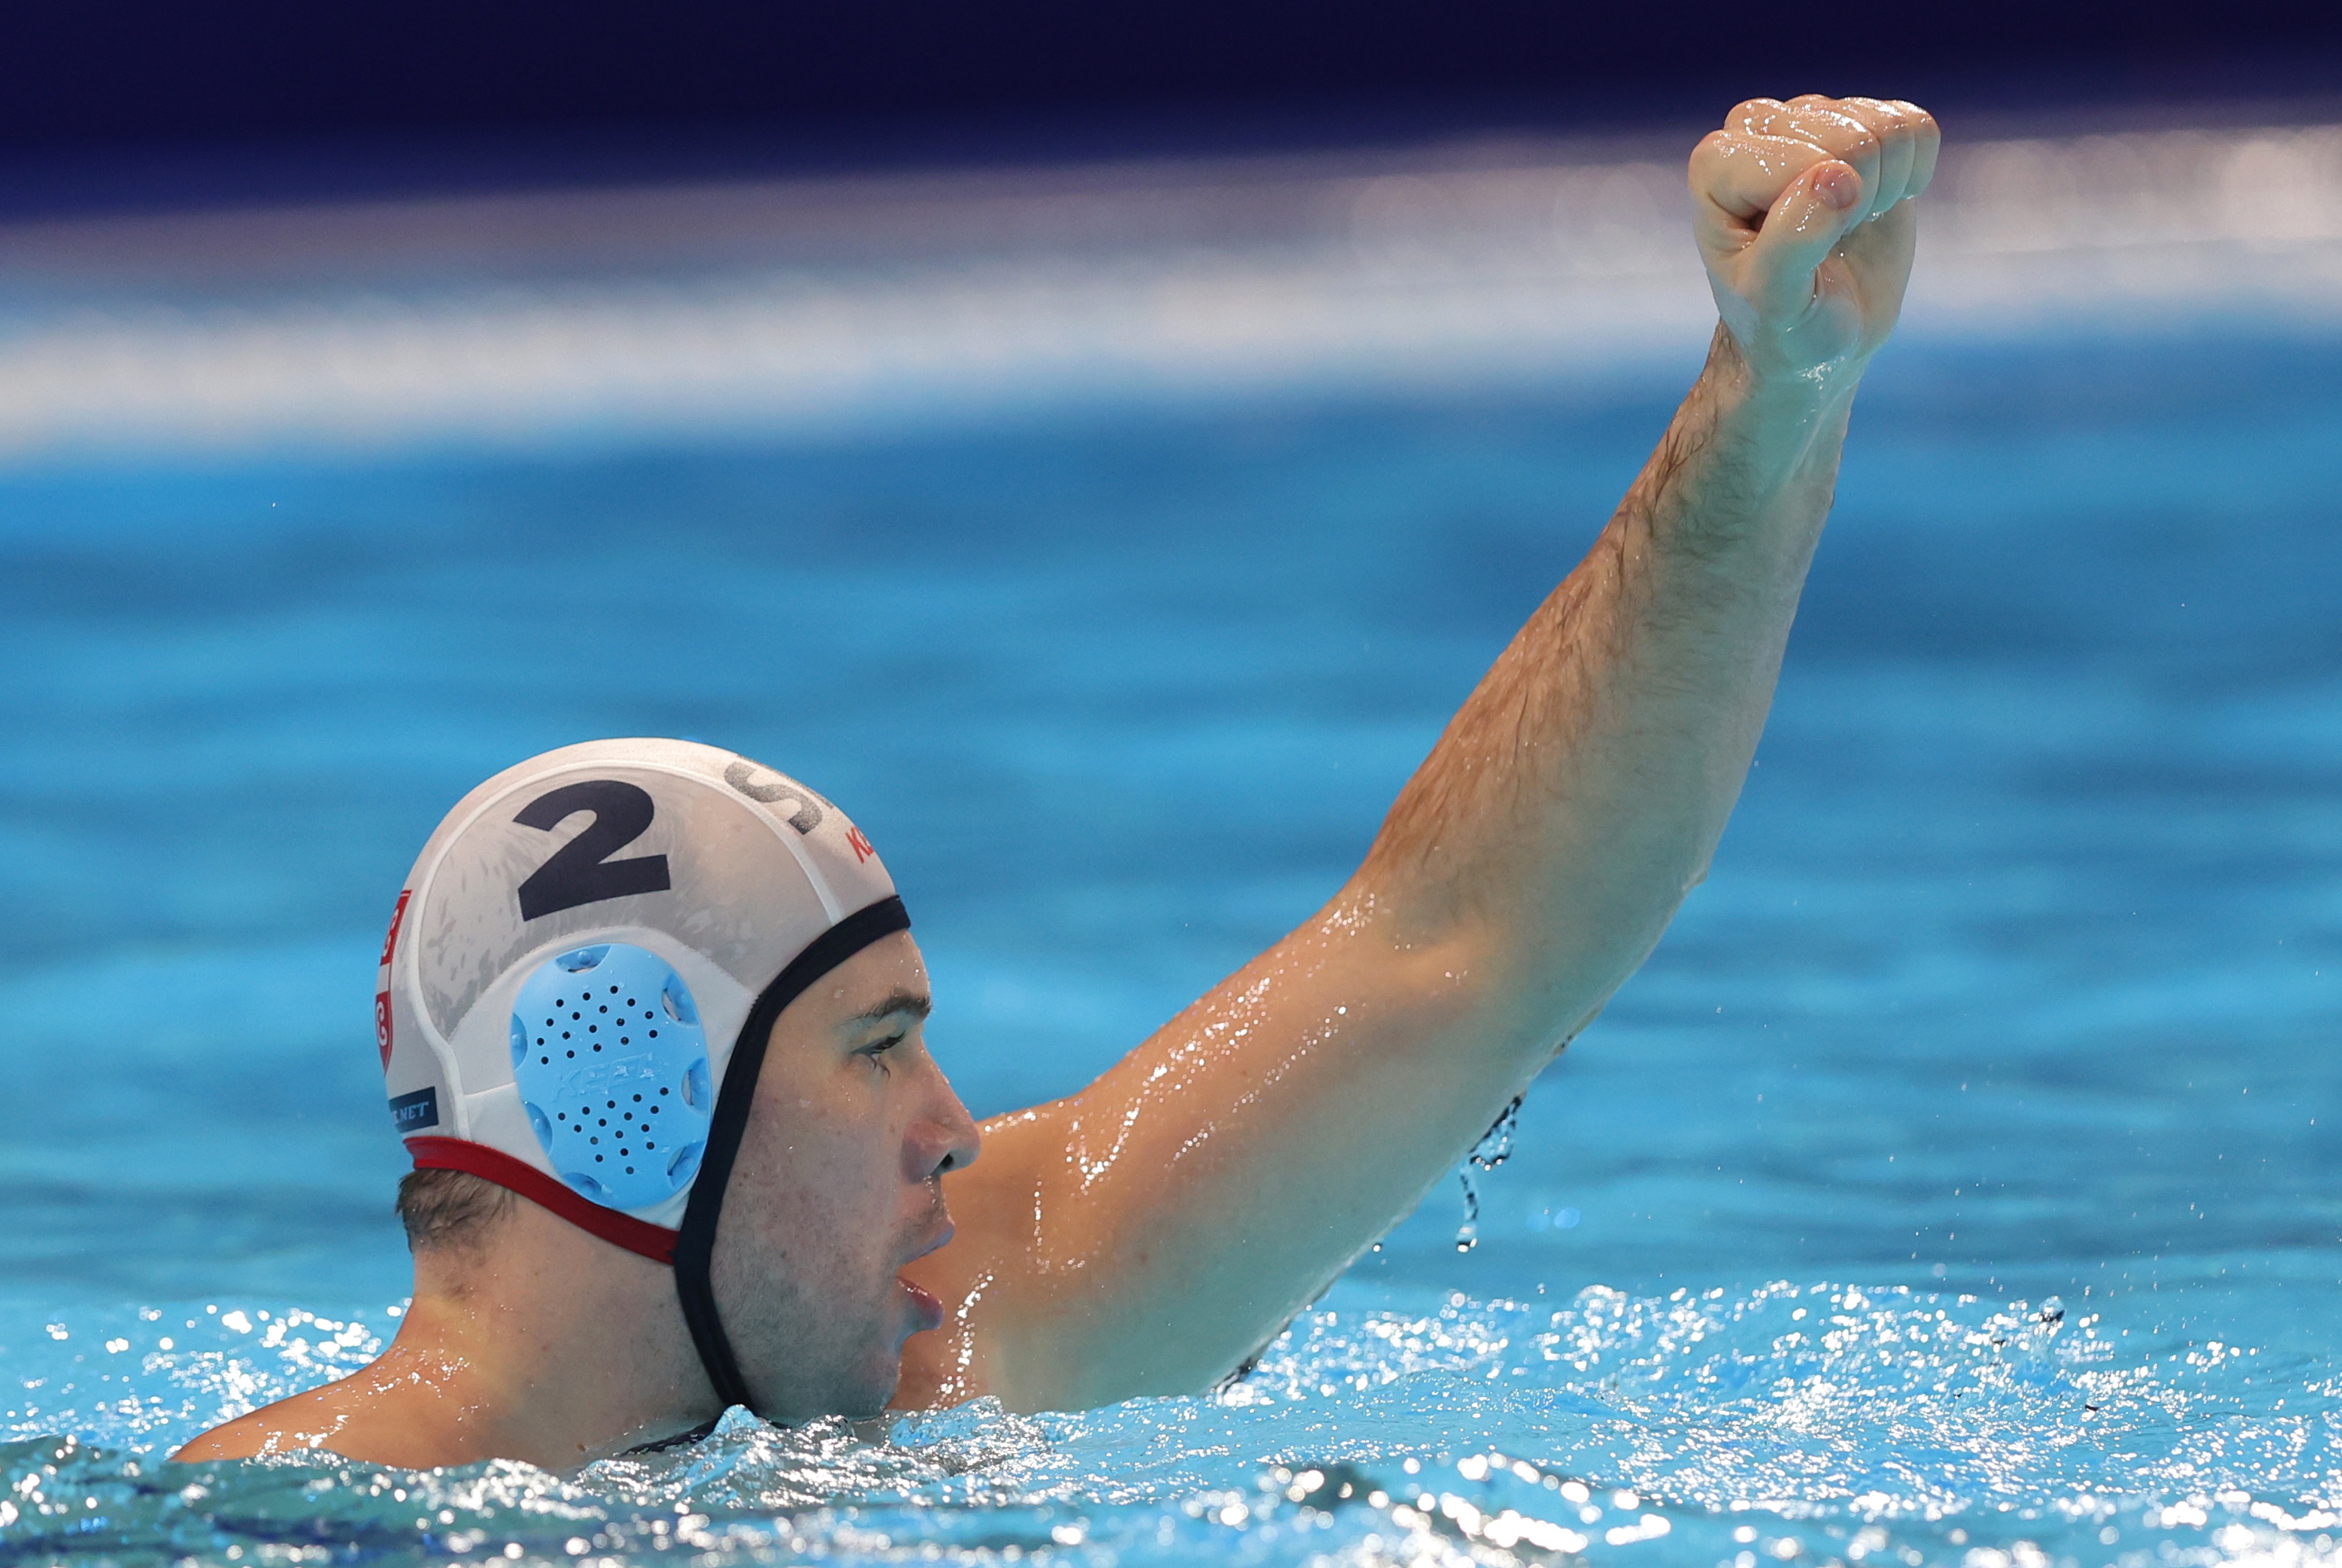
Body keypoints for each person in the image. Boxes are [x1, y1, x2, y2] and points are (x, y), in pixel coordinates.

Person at [175, 92, 1940, 1468]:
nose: (951, 1124)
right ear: (624, 1099)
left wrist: (1771, 391)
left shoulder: (940, 1352)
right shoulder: (307, 1524)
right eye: (872, 1049)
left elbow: (1458, 949)